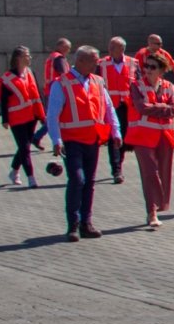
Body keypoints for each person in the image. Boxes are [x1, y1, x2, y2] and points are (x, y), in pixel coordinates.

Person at [48, 45, 122, 241]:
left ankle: (86, 224)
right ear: (80, 61)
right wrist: (56, 140)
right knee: (77, 180)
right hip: (71, 141)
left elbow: (108, 109)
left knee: (89, 182)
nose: (98, 63)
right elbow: (52, 115)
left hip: (93, 140)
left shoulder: (98, 81)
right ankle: (72, 224)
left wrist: (116, 132)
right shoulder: (61, 84)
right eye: (94, 60)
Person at [127, 51, 174, 230]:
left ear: (161, 71)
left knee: (164, 173)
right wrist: (162, 107)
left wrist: (154, 107)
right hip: (142, 137)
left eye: (152, 67)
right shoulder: (136, 86)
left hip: (165, 136)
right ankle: (151, 211)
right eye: (146, 66)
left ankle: (159, 205)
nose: (147, 70)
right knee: (149, 173)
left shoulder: (169, 87)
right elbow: (141, 108)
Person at [0, 46, 44, 188]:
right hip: (16, 118)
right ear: (18, 59)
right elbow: (4, 101)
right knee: (24, 147)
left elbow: (37, 94)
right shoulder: (7, 79)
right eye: (27, 55)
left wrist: (42, 114)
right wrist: (4, 120)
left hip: (31, 116)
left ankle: (14, 171)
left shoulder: (30, 73)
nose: (30, 58)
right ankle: (31, 178)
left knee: (25, 147)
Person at [97, 36, 138, 184]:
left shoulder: (134, 63)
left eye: (113, 47)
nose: (110, 50)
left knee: (124, 138)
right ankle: (116, 170)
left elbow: (139, 84)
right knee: (113, 138)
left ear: (122, 49)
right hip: (110, 108)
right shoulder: (101, 64)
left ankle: (119, 164)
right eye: (109, 47)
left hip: (127, 108)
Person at [33, 37, 71, 149]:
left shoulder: (52, 57)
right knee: (56, 117)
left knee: (54, 117)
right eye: (68, 48)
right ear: (62, 47)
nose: (69, 51)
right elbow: (65, 75)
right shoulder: (59, 58)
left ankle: (37, 137)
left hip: (50, 90)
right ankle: (39, 137)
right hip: (58, 92)